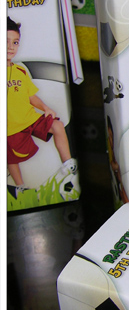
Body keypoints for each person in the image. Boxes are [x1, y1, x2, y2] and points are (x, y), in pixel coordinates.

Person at [7, 17, 77, 196]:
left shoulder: (20, 70)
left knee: (57, 125)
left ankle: (68, 165)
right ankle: (20, 187)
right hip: (10, 126)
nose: (10, 47)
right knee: (11, 158)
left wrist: (46, 108)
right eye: (5, 41)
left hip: (29, 118)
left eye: (15, 42)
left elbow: (31, 96)